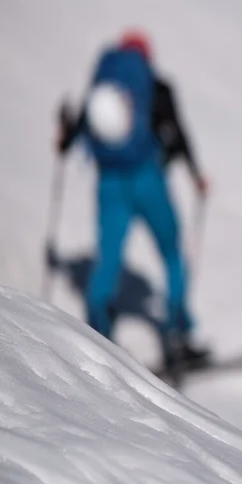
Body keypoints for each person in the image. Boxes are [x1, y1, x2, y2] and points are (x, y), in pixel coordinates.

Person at [55, 31, 210, 369]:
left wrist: (63, 137)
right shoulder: (155, 87)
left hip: (110, 183)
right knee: (172, 254)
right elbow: (178, 132)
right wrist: (196, 175)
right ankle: (177, 335)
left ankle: (97, 338)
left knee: (107, 258)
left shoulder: (102, 87)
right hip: (147, 178)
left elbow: (72, 140)